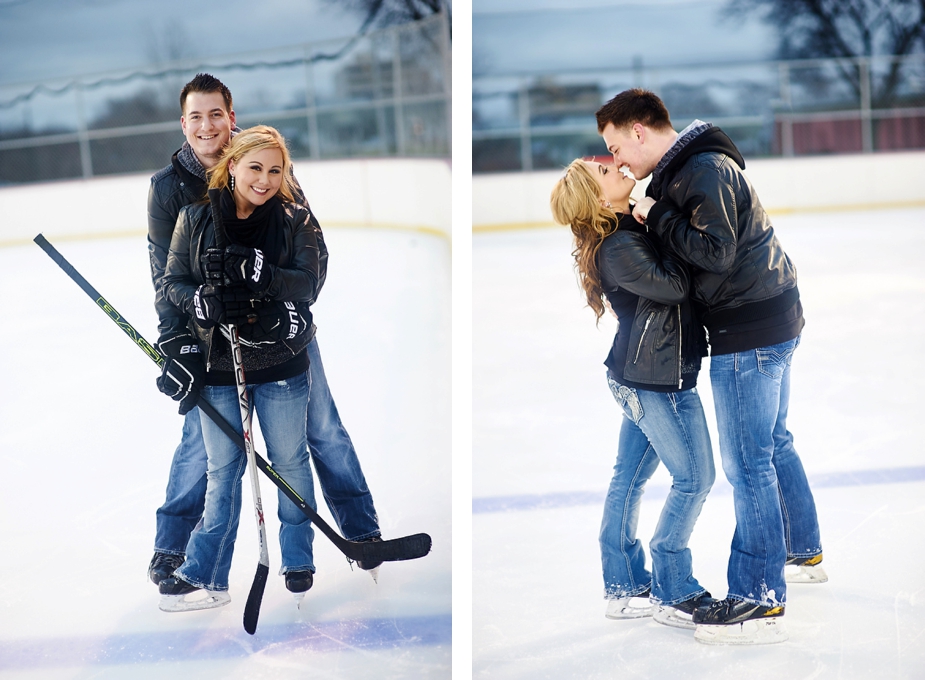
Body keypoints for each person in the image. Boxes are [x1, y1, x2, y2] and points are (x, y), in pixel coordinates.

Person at [596, 88, 826, 645]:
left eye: (615, 146)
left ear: (639, 131)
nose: (618, 160)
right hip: (766, 315)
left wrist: (647, 211)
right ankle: (803, 549)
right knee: (772, 441)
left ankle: (756, 597)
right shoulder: (687, 170)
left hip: (748, 326)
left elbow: (715, 253)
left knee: (749, 463)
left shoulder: (700, 170)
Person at [147, 74, 382, 595]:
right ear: (183, 124)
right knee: (205, 448)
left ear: (231, 119)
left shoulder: (268, 165)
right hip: (211, 339)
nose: (207, 125)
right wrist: (176, 341)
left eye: (216, 115)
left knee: (319, 429)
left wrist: (286, 308)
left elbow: (309, 260)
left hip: (283, 335)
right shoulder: (171, 191)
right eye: (195, 117)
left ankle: (360, 530)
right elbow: (165, 272)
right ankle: (177, 547)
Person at [156, 124, 321, 607]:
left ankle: (297, 558)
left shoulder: (295, 220)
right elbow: (173, 282)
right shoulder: (194, 217)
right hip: (220, 366)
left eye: (275, 170)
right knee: (220, 468)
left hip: (281, 366)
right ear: (231, 167)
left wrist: (266, 277)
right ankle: (203, 570)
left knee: (290, 461)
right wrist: (198, 302)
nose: (265, 179)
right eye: (255, 167)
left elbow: (308, 284)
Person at [550, 158, 715, 630]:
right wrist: (664, 221)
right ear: (600, 200)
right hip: (651, 381)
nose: (613, 167)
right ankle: (672, 586)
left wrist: (651, 217)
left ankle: (623, 586)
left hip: (648, 372)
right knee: (695, 477)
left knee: (630, 478)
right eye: (603, 173)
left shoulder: (625, 230)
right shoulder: (620, 244)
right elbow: (676, 286)